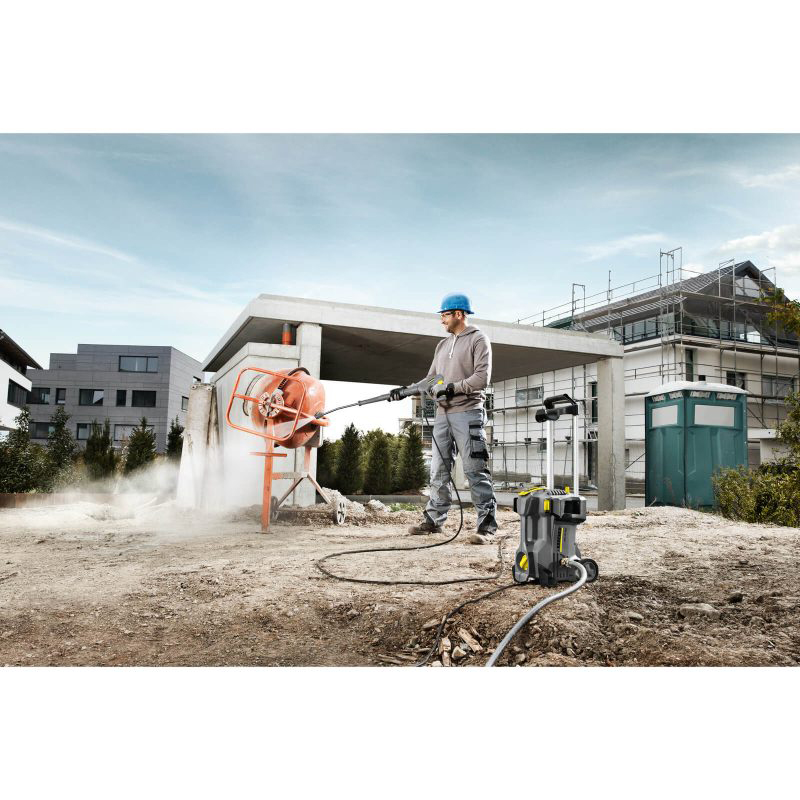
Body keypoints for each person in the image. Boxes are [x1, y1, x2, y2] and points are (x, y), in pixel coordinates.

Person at [391, 292, 499, 544]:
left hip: (468, 413)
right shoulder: (442, 345)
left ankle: (486, 526)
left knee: (474, 469)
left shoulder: (478, 339)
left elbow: (481, 379)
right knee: (438, 470)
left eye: (445, 315)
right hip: (442, 415)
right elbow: (431, 379)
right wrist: (405, 390)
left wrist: (452, 388)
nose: (442, 319)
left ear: (459, 314)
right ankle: (434, 520)